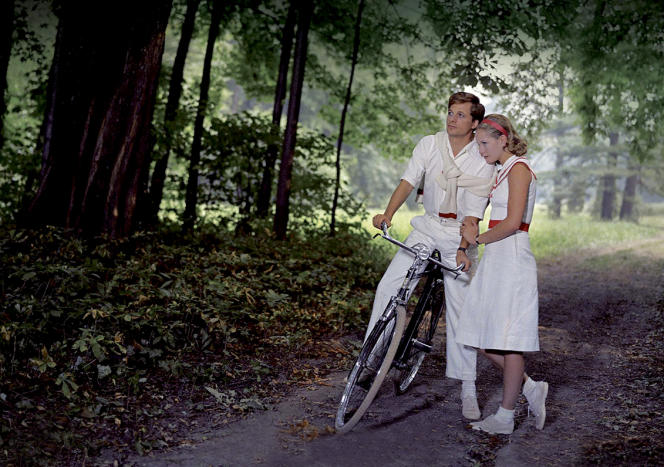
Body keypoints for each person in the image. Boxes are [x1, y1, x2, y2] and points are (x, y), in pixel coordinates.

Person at [368, 91, 496, 420]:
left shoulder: (481, 157)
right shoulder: (430, 144)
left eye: (461, 115)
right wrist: (387, 214)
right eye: (450, 112)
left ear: (475, 123)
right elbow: (408, 181)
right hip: (427, 226)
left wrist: (464, 249)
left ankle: (468, 388)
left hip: (459, 234)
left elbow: (474, 214)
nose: (452, 118)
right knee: (389, 285)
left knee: (461, 310)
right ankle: (371, 359)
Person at [457, 114, 548, 435]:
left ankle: (505, 417)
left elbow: (511, 223)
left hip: (512, 257)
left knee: (509, 342)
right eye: (478, 144)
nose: (481, 150)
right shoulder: (501, 171)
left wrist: (476, 239)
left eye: (485, 143)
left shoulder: (519, 169)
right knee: (478, 336)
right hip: (496, 258)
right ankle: (530, 387)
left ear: (503, 140)